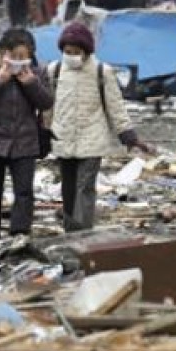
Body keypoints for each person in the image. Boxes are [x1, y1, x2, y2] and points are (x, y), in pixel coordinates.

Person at [49, 22, 152, 231]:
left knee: (85, 187)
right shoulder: (55, 70)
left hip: (92, 140)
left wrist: (129, 137)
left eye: (76, 52)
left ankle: (83, 230)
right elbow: (47, 107)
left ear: (86, 51)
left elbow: (115, 107)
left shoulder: (101, 72)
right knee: (68, 188)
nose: (72, 56)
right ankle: (71, 230)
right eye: (68, 52)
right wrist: (42, 134)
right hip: (63, 139)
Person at [0, 28, 53, 239]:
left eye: (22, 57)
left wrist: (31, 83)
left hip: (24, 141)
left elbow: (47, 102)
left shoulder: (38, 70)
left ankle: (19, 235)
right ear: (1, 54)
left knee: (24, 193)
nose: (16, 62)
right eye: (11, 57)